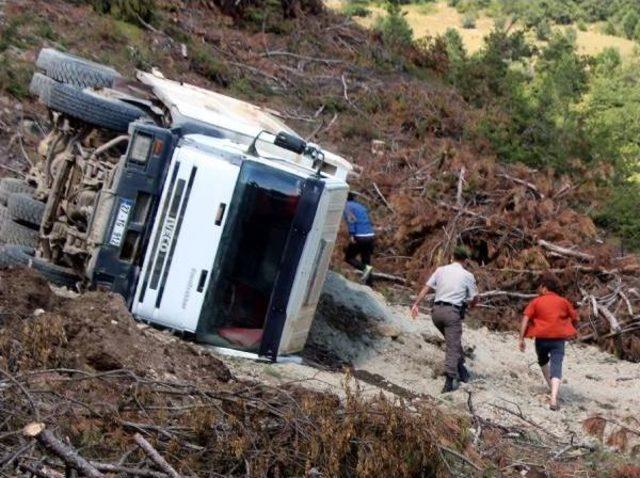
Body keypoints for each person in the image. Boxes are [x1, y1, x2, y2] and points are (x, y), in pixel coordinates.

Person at [411, 246, 478, 393]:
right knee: (452, 347)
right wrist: (472, 305)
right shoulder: (467, 275)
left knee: (453, 341)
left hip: (436, 313)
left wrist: (416, 304)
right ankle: (449, 381)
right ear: (465, 260)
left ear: (452, 257)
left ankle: (462, 370)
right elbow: (474, 298)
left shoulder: (440, 270)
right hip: (452, 313)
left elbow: (426, 287)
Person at [518, 273, 578, 411]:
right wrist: (572, 329)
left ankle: (551, 388)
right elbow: (575, 318)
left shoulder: (536, 301)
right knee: (557, 365)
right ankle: (553, 398)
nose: (538, 290)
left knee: (543, 361)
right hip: (558, 339)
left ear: (544, 287)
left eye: (539, 287)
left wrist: (521, 338)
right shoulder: (563, 301)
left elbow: (525, 319)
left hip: (541, 339)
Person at [343, 192, 375, 284]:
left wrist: (352, 234)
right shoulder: (360, 206)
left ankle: (365, 269)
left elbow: (351, 220)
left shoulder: (347, 206)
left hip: (360, 236)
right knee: (366, 260)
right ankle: (370, 284)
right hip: (370, 235)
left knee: (349, 257)